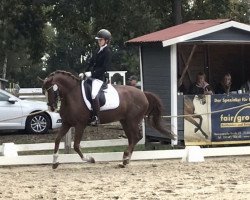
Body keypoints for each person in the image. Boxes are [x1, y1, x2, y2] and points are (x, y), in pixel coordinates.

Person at [85, 29, 112, 126]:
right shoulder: (97, 50)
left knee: (93, 94)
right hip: (92, 76)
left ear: (106, 41)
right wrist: (84, 72)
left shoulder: (107, 52)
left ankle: (96, 117)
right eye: (98, 40)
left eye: (101, 40)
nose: (99, 41)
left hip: (100, 78)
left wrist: (92, 74)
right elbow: (91, 62)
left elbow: (104, 68)